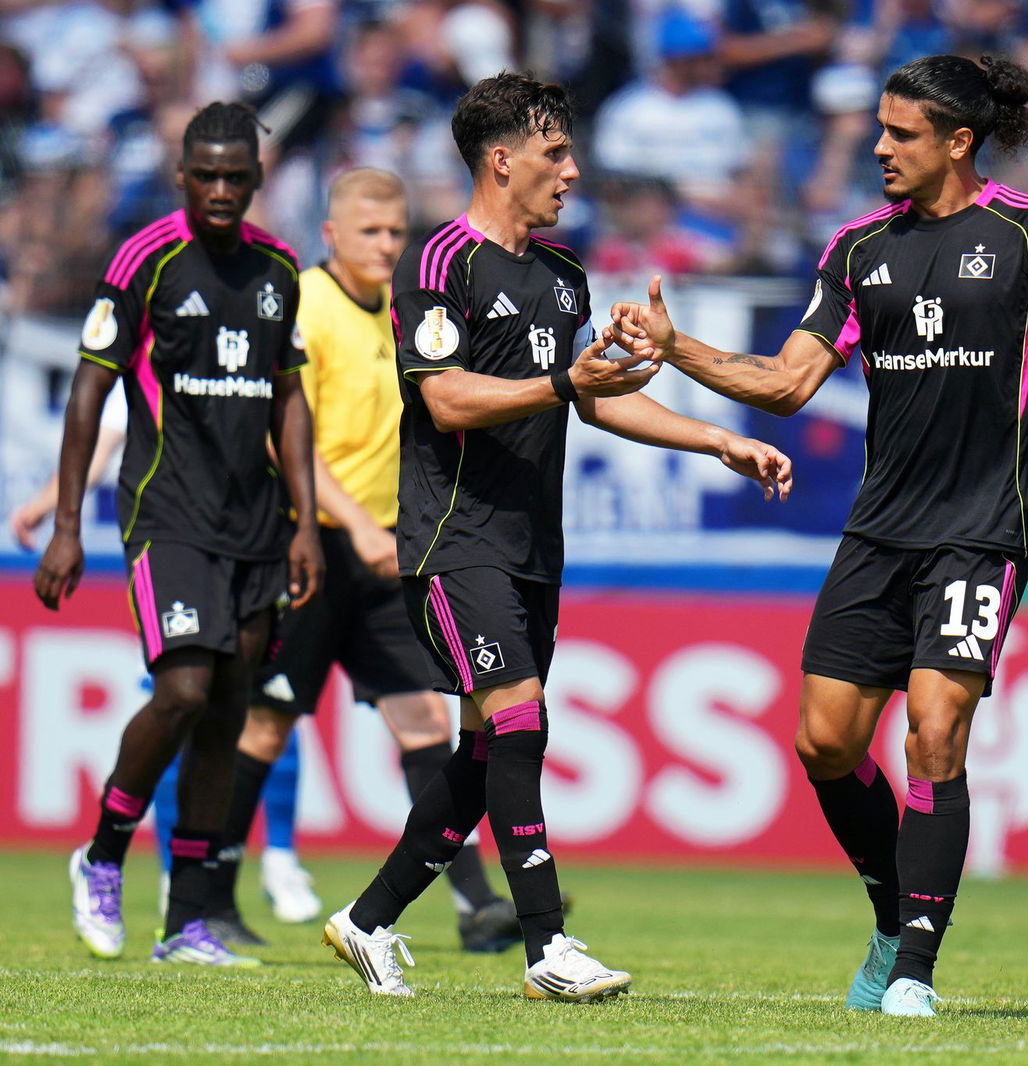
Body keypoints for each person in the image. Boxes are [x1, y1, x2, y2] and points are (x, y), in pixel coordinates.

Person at [610, 54, 1028, 1017]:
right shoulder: (859, 249)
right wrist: (678, 347)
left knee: (935, 733)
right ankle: (890, 908)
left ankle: (912, 972)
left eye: (900, 133)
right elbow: (786, 384)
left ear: (956, 142)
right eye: (879, 129)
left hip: (983, 531)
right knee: (823, 744)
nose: (878, 147)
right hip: (879, 533)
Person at [320, 72, 793, 1001]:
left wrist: (719, 438)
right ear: (502, 160)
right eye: (555, 153)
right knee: (522, 717)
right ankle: (548, 947)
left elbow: (599, 398)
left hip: (535, 545)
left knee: (487, 750)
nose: (573, 171)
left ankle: (366, 920)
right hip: (452, 539)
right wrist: (566, 387)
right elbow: (448, 399)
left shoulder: (564, 276)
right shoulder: (439, 264)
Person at [204, 166, 524, 952]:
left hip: (385, 552)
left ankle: (477, 906)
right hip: (308, 548)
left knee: (423, 718)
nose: (386, 247)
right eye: (371, 233)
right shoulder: (305, 307)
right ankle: (208, 895)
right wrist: (357, 525)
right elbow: (289, 441)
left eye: (395, 233)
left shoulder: (407, 312)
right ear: (332, 235)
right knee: (268, 724)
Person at [38, 101, 322, 967]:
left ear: (258, 178)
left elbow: (289, 398)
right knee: (186, 689)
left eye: (238, 176)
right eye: (208, 175)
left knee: (229, 708)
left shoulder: (279, 269)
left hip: (256, 524)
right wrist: (64, 525)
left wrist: (306, 522)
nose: (223, 189)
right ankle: (103, 854)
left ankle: (187, 921)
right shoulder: (146, 261)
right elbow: (90, 389)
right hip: (167, 511)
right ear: (183, 178)